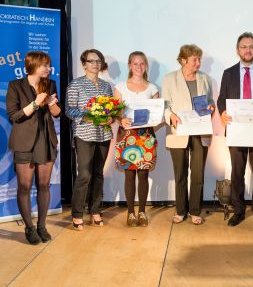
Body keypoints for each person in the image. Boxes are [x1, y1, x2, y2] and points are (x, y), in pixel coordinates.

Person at [217, 32, 253, 228]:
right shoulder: (228, 73)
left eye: (251, 46)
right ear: (237, 50)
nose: (248, 50)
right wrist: (223, 112)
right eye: (244, 46)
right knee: (237, 173)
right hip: (236, 130)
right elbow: (221, 100)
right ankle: (239, 210)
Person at [6, 51, 61, 244]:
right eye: (45, 65)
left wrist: (53, 104)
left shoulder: (50, 84)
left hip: (45, 140)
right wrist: (36, 103)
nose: (48, 68)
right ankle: (29, 228)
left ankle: (42, 226)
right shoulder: (15, 86)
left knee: (44, 185)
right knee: (24, 186)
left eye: (49, 65)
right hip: (24, 142)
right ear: (33, 66)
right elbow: (14, 116)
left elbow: (56, 113)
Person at [162, 44, 215, 225]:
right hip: (179, 131)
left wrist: (211, 107)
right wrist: (171, 116)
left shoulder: (205, 78)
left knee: (198, 174)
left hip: (200, 132)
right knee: (180, 173)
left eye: (199, 59)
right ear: (183, 60)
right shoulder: (170, 79)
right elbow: (165, 106)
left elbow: (210, 102)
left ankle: (194, 210)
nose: (198, 63)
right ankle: (180, 210)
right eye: (195, 59)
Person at [66, 49, 113, 230]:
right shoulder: (75, 85)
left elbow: (110, 110)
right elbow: (69, 110)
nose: (95, 64)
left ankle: (95, 210)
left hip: (104, 134)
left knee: (99, 174)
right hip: (84, 134)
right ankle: (77, 214)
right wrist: (86, 116)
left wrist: (111, 117)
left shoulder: (106, 86)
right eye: (91, 61)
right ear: (84, 63)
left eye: (98, 61)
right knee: (84, 175)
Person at [114, 51, 159, 227]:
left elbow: (157, 114)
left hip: (145, 136)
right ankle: (130, 213)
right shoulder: (120, 87)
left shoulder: (152, 88)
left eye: (142, 63)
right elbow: (116, 111)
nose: (139, 67)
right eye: (135, 63)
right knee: (129, 175)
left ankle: (142, 212)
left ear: (145, 65)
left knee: (143, 174)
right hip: (127, 135)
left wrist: (155, 119)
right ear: (129, 66)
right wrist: (120, 118)